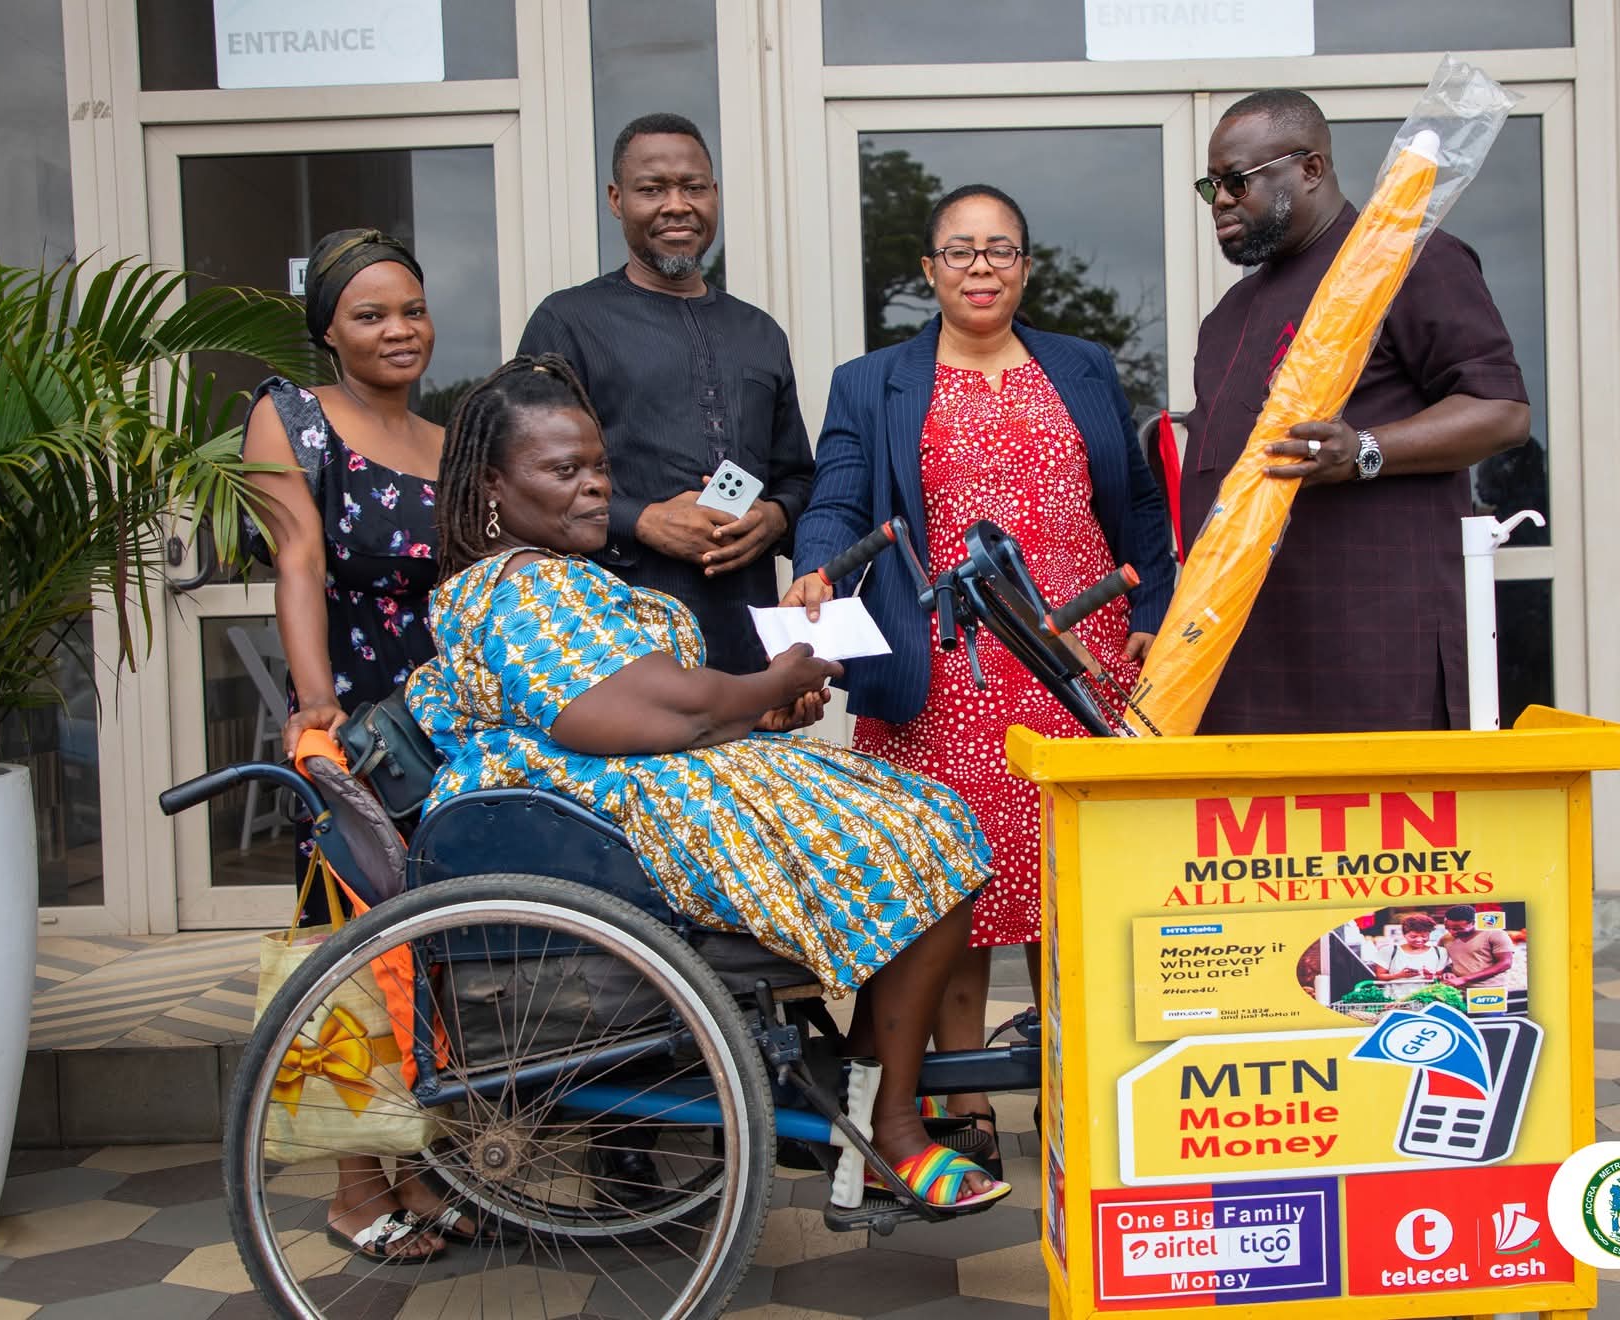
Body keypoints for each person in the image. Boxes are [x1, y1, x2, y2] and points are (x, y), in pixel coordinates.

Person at [405, 355, 1009, 1213]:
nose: (591, 489)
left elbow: (653, 710)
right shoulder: (520, 585)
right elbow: (637, 713)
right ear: (494, 485)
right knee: (929, 836)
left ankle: (864, 1098)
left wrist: (758, 714)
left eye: (598, 468)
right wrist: (771, 681)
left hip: (621, 802)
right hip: (607, 835)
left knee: (924, 818)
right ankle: (895, 1129)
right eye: (563, 471)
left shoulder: (541, 576)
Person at [786, 184, 1177, 1170]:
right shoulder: (872, 381)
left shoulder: (1082, 367)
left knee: (1075, 892)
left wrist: (1149, 618)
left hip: (1074, 667)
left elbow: (1134, 510)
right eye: (957, 252)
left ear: (1026, 266)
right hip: (944, 676)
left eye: (999, 250)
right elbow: (836, 497)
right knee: (951, 893)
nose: (979, 268)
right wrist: (815, 568)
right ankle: (960, 1104)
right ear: (927, 272)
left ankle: (1075, 1091)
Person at [241, 228, 461, 1263]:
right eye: (370, 314)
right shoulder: (293, 420)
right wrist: (317, 704)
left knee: (436, 939)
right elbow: (295, 563)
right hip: (353, 719)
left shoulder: (445, 436)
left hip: (438, 723)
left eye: (410, 310)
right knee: (353, 942)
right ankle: (351, 1184)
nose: (396, 331)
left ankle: (419, 1165)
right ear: (327, 329)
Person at [1182, 89, 1531, 733]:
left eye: (1238, 180)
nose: (1222, 200)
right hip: (1241, 662)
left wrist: (1365, 451)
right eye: (1212, 187)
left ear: (1310, 169)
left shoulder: (1403, 259)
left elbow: (1501, 410)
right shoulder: (1225, 320)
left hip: (1370, 659)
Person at [516, 112, 813, 676]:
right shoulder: (568, 321)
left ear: (715, 195)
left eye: (693, 187)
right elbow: (522, 478)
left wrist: (774, 518)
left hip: (744, 648)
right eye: (652, 189)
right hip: (614, 643)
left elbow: (797, 474)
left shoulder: (759, 333)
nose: (677, 205)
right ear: (616, 199)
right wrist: (642, 519)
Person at [1437, 905, 1516, 989]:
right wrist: (1447, 972)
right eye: (1448, 928)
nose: (1452, 932)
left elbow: (1505, 963)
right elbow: (1443, 962)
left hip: (1489, 989)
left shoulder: (1494, 934)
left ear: (1473, 923)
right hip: (1457, 989)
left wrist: (1464, 979)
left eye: (1458, 929)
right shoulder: (1445, 939)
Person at [1369, 914, 1449, 982]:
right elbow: (1380, 976)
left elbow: (1439, 977)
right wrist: (1399, 975)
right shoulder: (1389, 951)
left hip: (1428, 997)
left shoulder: (1440, 952)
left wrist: (1431, 976)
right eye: (1413, 936)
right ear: (1404, 935)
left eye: (1424, 936)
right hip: (1396, 997)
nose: (1419, 940)